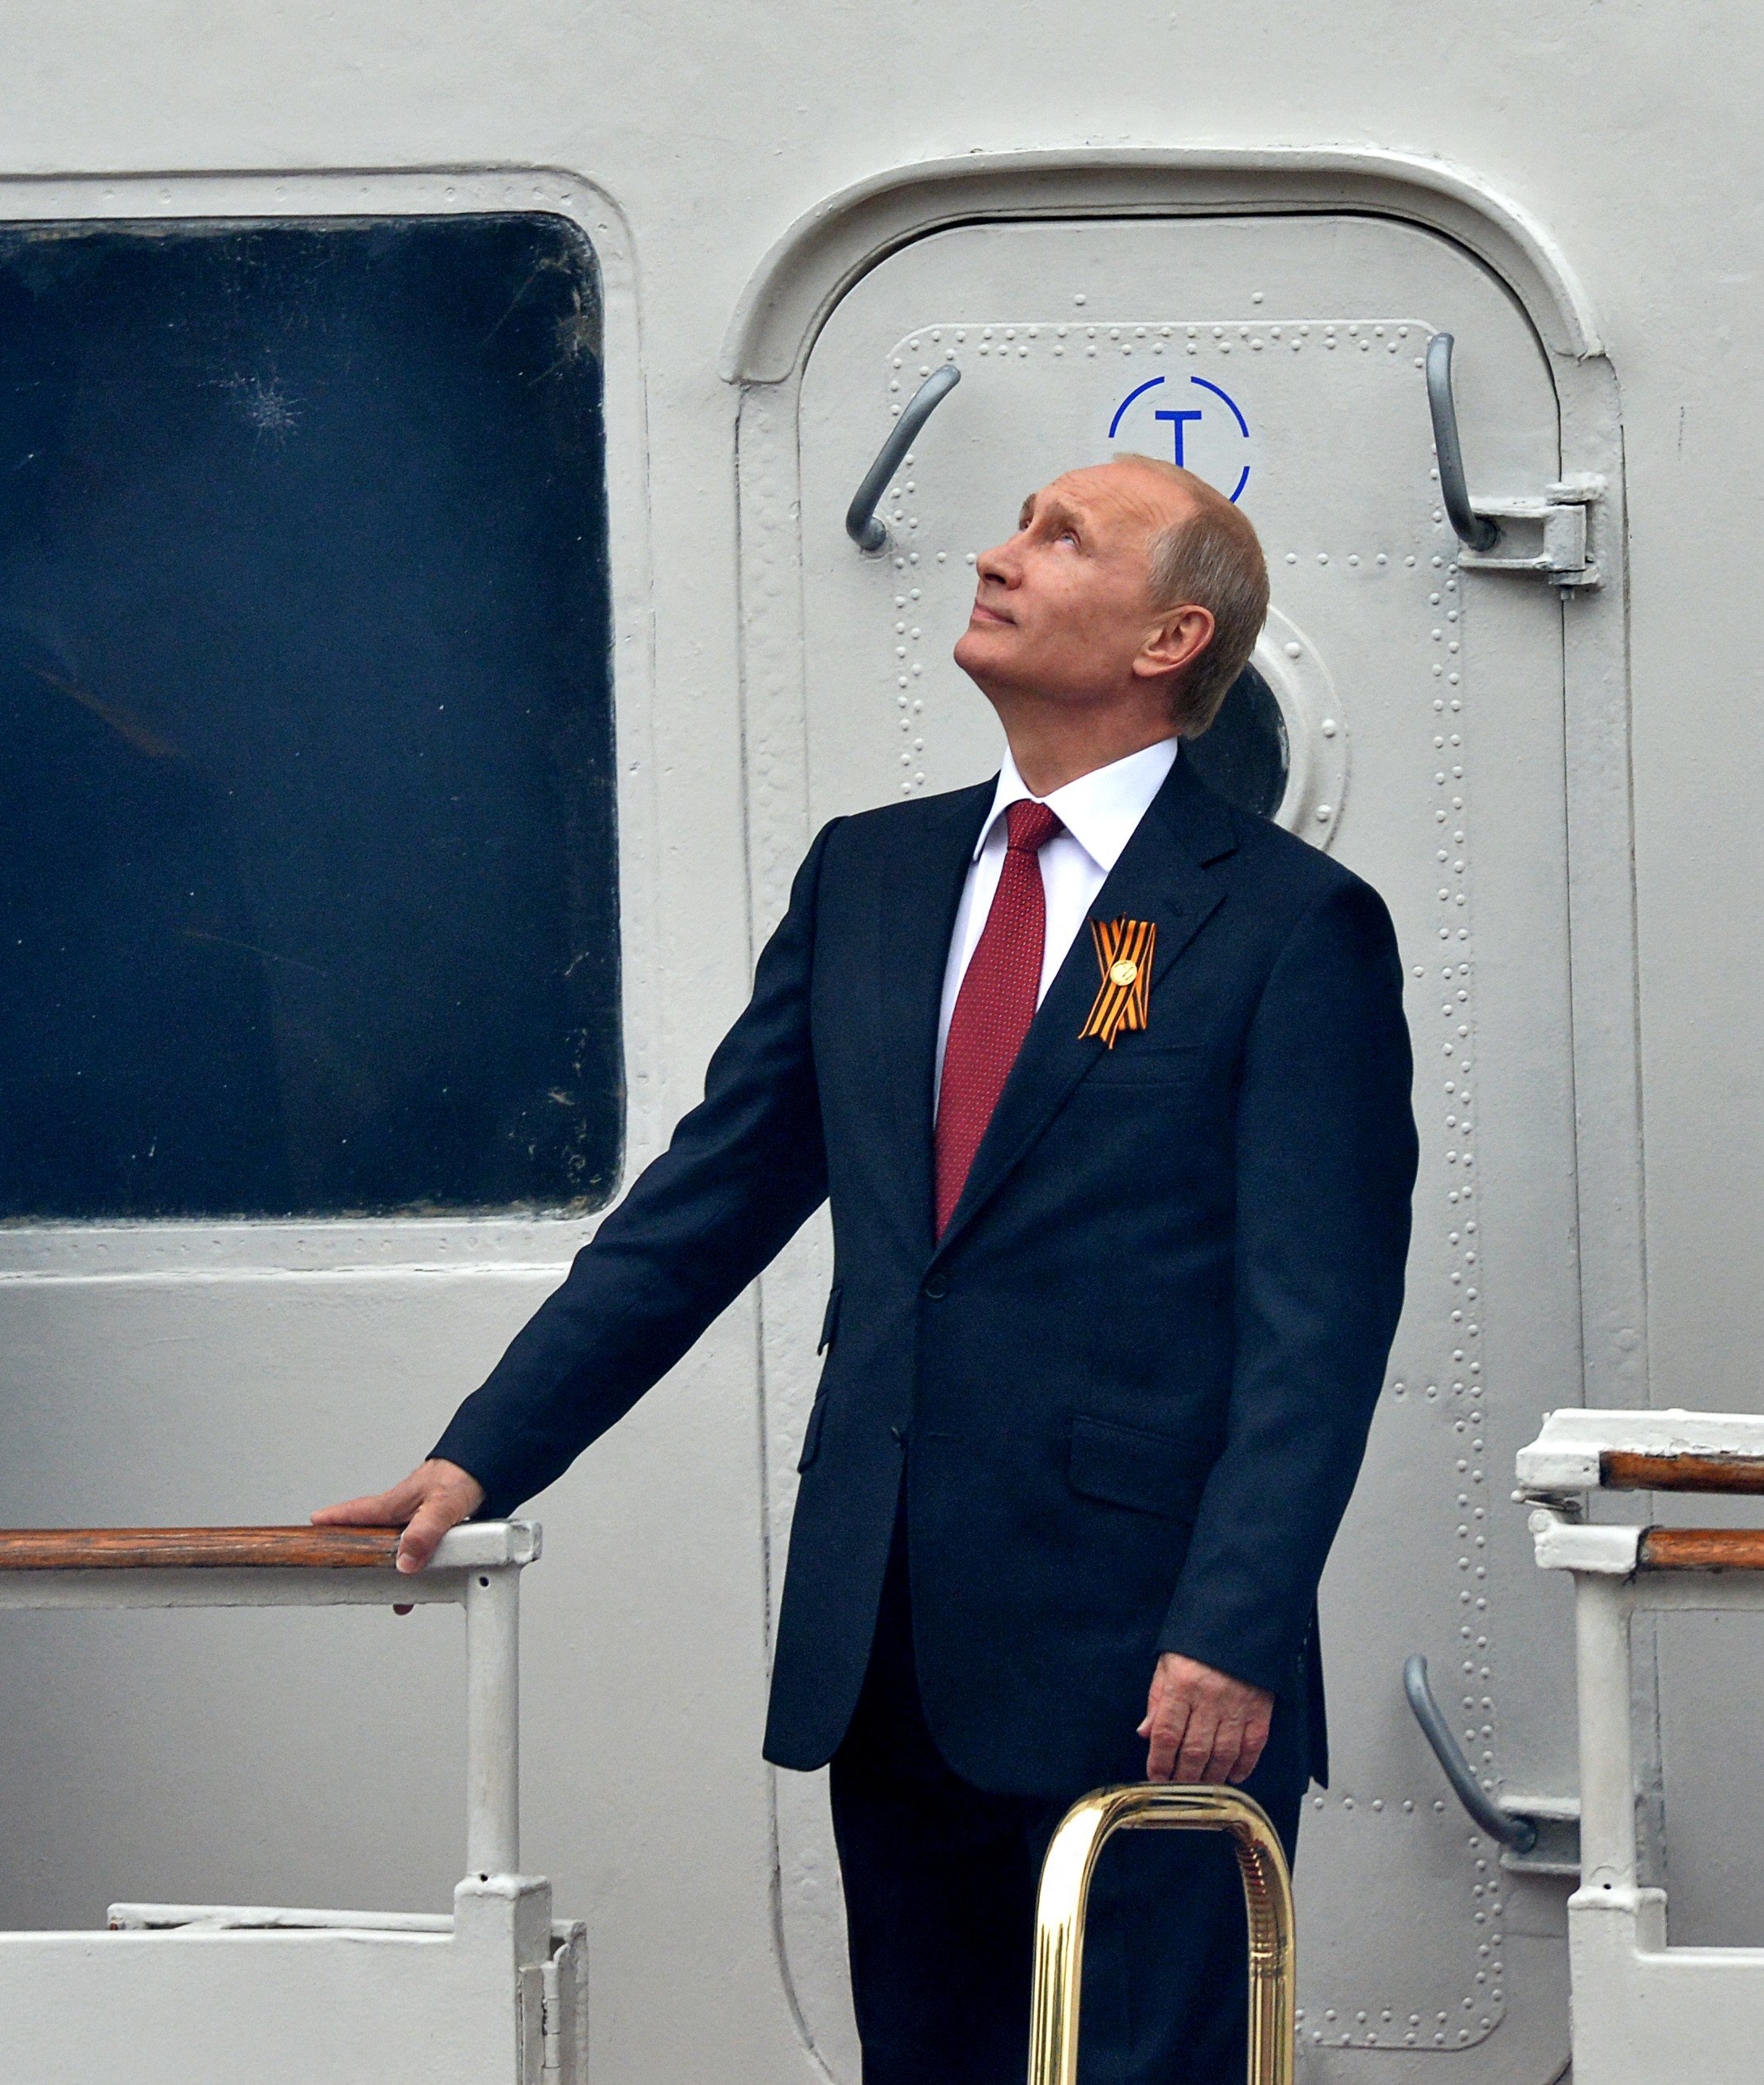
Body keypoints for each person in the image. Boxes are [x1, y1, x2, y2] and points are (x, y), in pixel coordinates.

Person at [319, 454, 1416, 2081]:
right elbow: (705, 1203)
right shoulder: (873, 878)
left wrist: (1234, 1626)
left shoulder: (1285, 923)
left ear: (1169, 636)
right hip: (890, 1640)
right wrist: (481, 1453)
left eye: (1061, 538)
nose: (999, 554)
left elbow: (1317, 1326)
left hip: (1148, 1659)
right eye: (1016, 523)